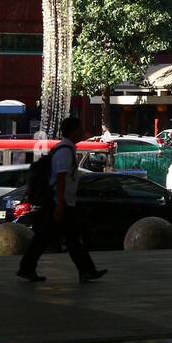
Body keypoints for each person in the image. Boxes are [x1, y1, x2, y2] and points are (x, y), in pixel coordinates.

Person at [17, 116, 106, 284]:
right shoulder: (65, 150)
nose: (83, 132)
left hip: (61, 202)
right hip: (59, 202)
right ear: (73, 131)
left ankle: (86, 270)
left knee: (62, 237)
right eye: (80, 129)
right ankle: (27, 268)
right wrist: (59, 206)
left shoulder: (66, 148)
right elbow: (60, 178)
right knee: (52, 237)